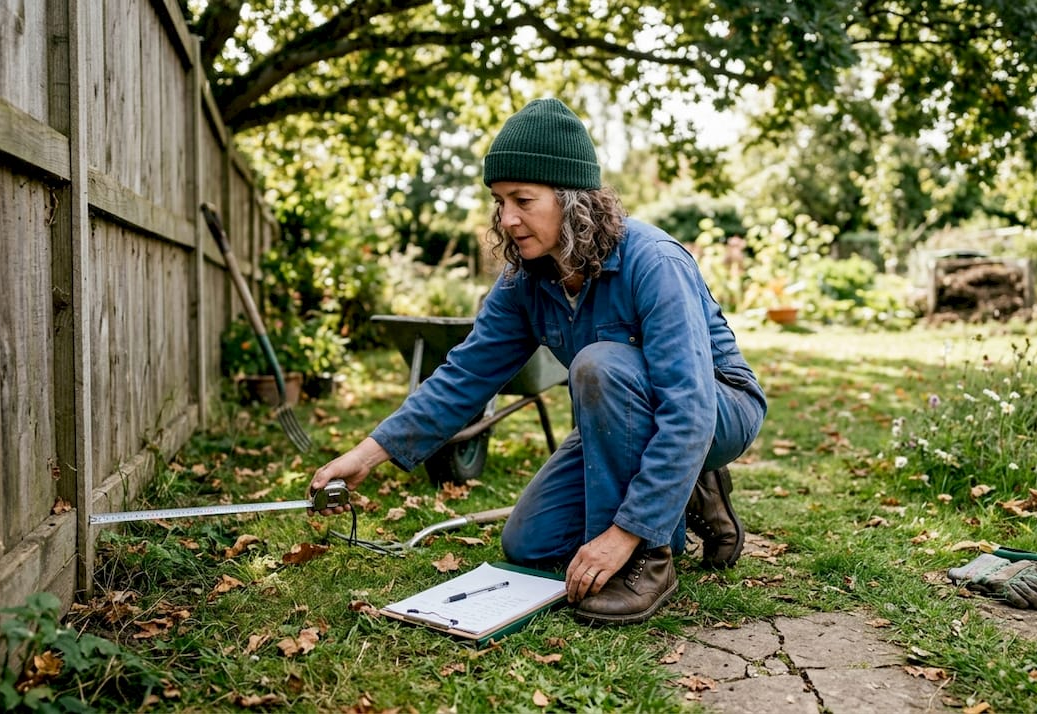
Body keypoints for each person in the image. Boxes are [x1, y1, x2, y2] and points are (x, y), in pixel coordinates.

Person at [309, 98, 767, 625]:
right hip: (624, 417)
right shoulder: (526, 281)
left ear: (572, 200)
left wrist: (622, 536)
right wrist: (365, 455)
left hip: (716, 407)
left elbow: (687, 408)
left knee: (598, 364)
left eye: (523, 200)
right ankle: (686, 488)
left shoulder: (653, 262)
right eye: (499, 201)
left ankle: (650, 558)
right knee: (528, 541)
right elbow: (464, 375)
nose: (507, 219)